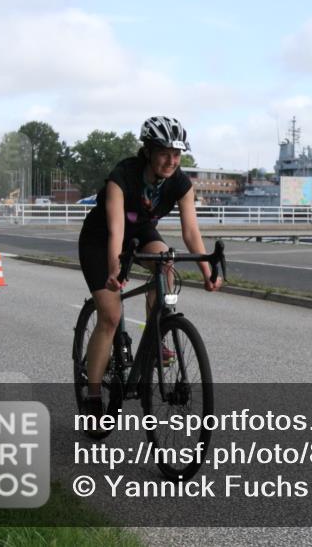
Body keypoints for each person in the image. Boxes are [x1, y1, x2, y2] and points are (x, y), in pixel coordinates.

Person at [78, 116, 222, 417]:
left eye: (177, 154)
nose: (171, 161)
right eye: (164, 153)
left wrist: (207, 273)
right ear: (148, 151)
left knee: (166, 260)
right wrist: (116, 271)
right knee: (111, 315)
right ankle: (92, 395)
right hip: (100, 238)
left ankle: (156, 335)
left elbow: (191, 232)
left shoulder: (181, 182)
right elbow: (116, 230)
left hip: (141, 232)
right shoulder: (123, 176)